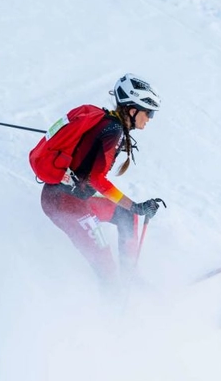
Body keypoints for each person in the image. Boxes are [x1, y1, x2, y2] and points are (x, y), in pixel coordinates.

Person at [40, 74, 166, 282]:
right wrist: (135, 205)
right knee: (105, 265)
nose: (149, 119)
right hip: (65, 204)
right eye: (149, 113)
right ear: (132, 110)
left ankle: (130, 278)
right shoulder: (113, 131)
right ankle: (114, 307)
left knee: (126, 216)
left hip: (70, 197)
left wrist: (131, 209)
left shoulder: (107, 123)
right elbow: (98, 179)